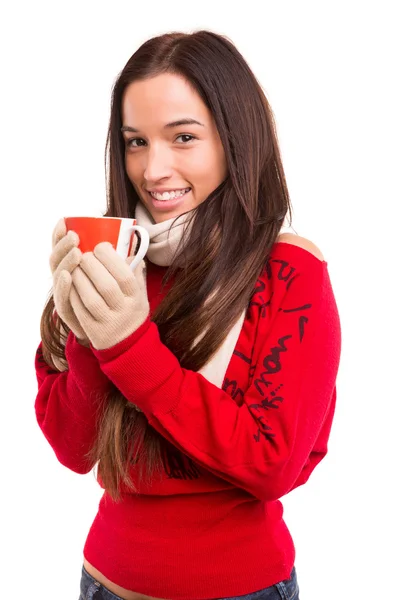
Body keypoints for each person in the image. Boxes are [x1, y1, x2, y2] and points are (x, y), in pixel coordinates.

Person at [35, 30, 341, 600]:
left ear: (234, 139)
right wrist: (84, 329)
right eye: (134, 142)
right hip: (104, 583)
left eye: (183, 137)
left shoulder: (289, 274)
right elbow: (75, 451)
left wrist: (128, 345)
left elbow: (272, 463)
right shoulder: (117, 264)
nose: (153, 170)